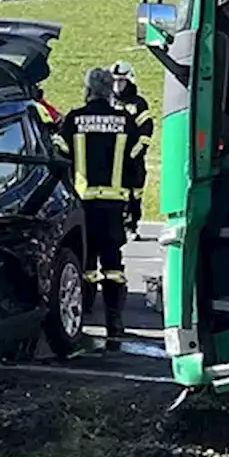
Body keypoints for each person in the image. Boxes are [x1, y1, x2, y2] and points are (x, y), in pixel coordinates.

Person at [55, 68, 142, 343]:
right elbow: (135, 165)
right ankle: (114, 322)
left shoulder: (73, 120)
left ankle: (83, 321)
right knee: (113, 266)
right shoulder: (125, 121)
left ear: (88, 89)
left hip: (83, 206)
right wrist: (135, 203)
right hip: (113, 205)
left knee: (85, 265)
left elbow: (59, 160)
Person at [110, 61, 153, 241]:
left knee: (135, 193)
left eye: (122, 81)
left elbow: (146, 132)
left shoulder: (138, 104)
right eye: (115, 81)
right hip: (111, 158)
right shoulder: (108, 101)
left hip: (132, 160)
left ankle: (131, 225)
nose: (118, 85)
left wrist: (133, 154)